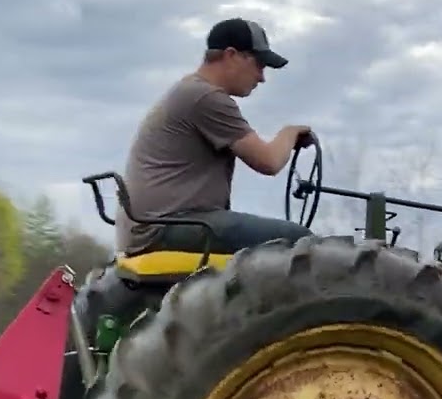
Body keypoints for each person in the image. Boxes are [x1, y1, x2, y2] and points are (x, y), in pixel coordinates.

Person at [116, 17, 316, 257]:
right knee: (300, 241)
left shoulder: (189, 90)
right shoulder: (206, 97)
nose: (262, 77)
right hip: (165, 228)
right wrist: (290, 132)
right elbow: (269, 161)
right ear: (231, 55)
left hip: (156, 225)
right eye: (259, 65)